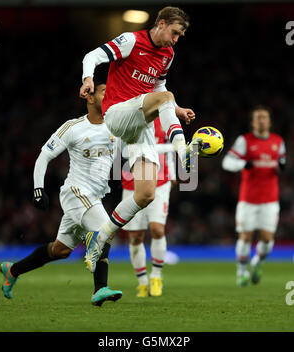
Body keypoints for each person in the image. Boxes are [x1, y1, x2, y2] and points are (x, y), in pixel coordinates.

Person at [79, 6, 202, 273]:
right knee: (165, 101)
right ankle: (182, 150)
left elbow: (159, 87)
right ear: (161, 23)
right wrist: (88, 78)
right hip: (117, 113)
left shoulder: (167, 54)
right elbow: (93, 56)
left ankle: (99, 240)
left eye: (180, 35)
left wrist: (177, 109)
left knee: (145, 194)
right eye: (175, 32)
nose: (176, 39)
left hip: (140, 125)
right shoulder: (131, 41)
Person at [0, 82, 122, 306]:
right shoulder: (73, 127)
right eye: (105, 91)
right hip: (75, 192)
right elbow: (44, 156)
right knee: (106, 228)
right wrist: (38, 188)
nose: (111, 94)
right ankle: (100, 289)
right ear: (90, 98)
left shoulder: (116, 127)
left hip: (94, 197)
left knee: (61, 250)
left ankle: (13, 270)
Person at [222, 105, 286, 286]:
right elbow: (227, 163)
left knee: (267, 240)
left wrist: (281, 166)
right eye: (258, 117)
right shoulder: (245, 141)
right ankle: (241, 271)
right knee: (245, 237)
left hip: (270, 199)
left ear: (269, 121)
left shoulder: (278, 141)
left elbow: (281, 163)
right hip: (248, 200)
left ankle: (257, 262)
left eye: (264, 117)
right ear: (253, 122)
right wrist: (243, 164)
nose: (261, 120)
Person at [121, 118, 176, 297]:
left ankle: (156, 277)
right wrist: (178, 147)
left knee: (157, 229)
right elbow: (125, 151)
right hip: (132, 183)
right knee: (135, 236)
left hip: (160, 181)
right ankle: (143, 282)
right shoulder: (128, 118)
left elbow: (169, 148)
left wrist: (173, 173)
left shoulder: (165, 119)